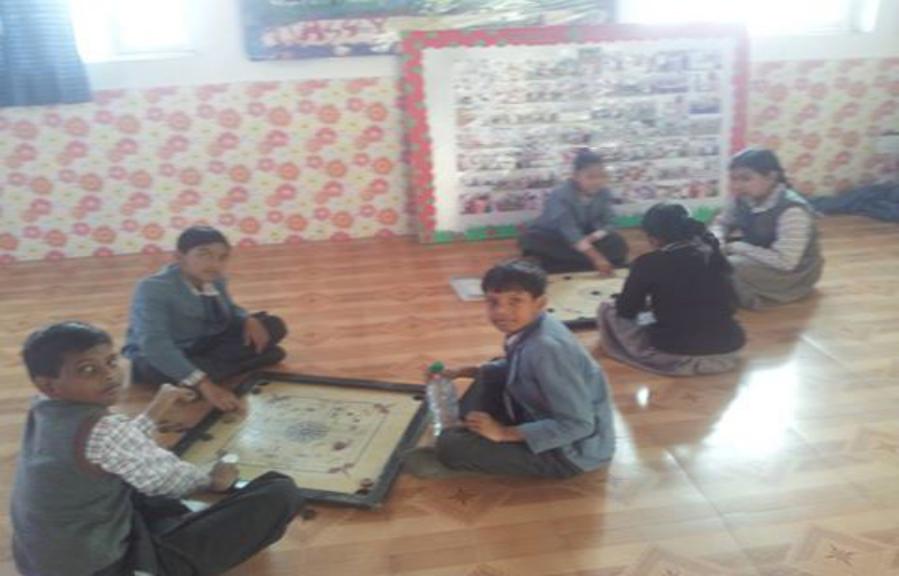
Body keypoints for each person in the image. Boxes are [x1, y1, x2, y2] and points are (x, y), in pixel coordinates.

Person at [10, 322, 304, 576]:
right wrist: (211, 480)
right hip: (105, 567)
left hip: (43, 561)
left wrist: (157, 408)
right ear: (49, 385)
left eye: (111, 361)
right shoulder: (103, 429)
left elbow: (117, 449)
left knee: (139, 484)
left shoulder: (44, 410)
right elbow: (167, 479)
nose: (109, 375)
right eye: (87, 370)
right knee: (280, 492)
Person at [435, 260, 616, 477]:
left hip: (571, 452)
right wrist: (467, 371)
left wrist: (503, 433)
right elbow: (516, 365)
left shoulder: (547, 350)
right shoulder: (532, 327)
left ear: (540, 303)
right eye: (493, 302)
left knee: (450, 447)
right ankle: (477, 431)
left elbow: (579, 425)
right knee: (489, 371)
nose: (501, 311)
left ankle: (477, 438)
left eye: (515, 302)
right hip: (539, 412)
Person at [123, 226, 288, 412]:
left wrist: (247, 319)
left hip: (204, 339)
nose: (215, 264)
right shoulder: (152, 288)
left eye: (222, 257)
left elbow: (229, 309)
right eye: (204, 254)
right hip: (162, 352)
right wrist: (206, 385)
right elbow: (154, 344)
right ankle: (202, 373)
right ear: (179, 257)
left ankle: (201, 372)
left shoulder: (214, 277)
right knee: (155, 368)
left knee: (273, 325)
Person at [598, 203, 746, 376]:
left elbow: (626, 311)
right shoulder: (714, 255)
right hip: (728, 347)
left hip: (676, 350)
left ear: (653, 238)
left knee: (608, 308)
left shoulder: (647, 263)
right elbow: (732, 303)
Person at [712, 148, 824, 309]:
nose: (736, 185)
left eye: (745, 178)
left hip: (793, 273)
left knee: (728, 265)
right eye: (733, 178)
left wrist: (737, 247)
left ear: (771, 177)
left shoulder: (792, 210)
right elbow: (721, 223)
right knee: (705, 252)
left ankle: (742, 295)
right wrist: (718, 240)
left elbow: (786, 262)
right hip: (760, 255)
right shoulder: (743, 198)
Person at [519, 148, 629, 275]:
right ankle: (578, 262)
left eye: (602, 176)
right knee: (535, 241)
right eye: (591, 177)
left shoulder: (604, 192)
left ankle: (574, 262)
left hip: (585, 235)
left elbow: (611, 222)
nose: (598, 181)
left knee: (617, 243)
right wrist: (596, 257)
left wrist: (593, 237)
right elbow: (568, 230)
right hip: (556, 236)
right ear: (576, 176)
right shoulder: (560, 195)